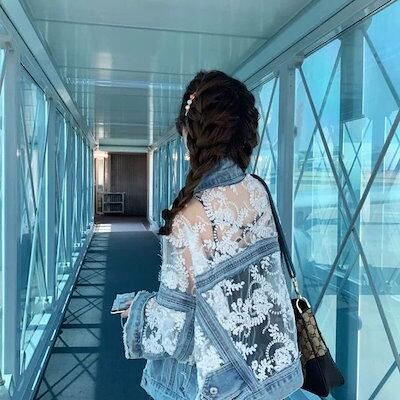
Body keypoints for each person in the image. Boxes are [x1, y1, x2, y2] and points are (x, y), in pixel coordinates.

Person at [119, 70, 304, 400]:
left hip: (218, 385)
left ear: (190, 133)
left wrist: (139, 310)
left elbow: (175, 333)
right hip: (268, 373)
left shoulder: (190, 216)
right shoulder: (258, 190)